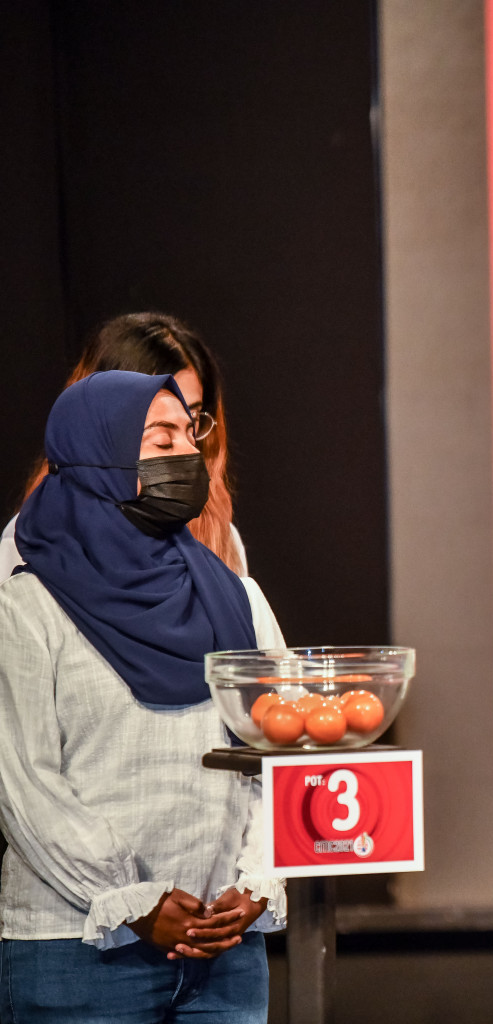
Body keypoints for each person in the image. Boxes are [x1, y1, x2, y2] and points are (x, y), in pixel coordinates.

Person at [0, 371, 285, 1023]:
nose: (187, 454)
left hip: (225, 949)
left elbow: (281, 750)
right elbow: (24, 785)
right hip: (78, 951)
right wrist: (132, 899)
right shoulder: (27, 608)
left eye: (191, 433)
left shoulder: (238, 599)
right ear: (97, 458)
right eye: (161, 439)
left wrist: (259, 883)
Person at [1, 312, 246, 577]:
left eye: (193, 419)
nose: (187, 450)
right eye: (162, 434)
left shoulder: (222, 537)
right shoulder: (32, 541)